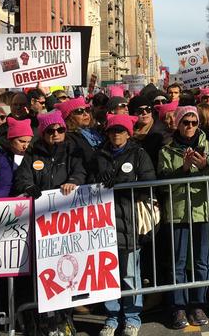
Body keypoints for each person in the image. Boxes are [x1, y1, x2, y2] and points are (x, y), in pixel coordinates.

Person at [13, 109, 85, 336]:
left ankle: (65, 318)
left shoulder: (73, 152)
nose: (56, 133)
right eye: (50, 130)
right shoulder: (33, 155)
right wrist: (28, 186)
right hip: (41, 226)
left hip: (66, 224)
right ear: (42, 133)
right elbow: (22, 178)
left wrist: (73, 180)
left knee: (66, 271)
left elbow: (82, 172)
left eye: (60, 129)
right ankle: (44, 321)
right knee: (44, 274)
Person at [91, 114, 157, 336]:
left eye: (121, 130)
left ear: (129, 133)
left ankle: (131, 318)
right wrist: (98, 180)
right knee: (107, 274)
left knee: (130, 273)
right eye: (112, 130)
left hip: (129, 221)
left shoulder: (139, 154)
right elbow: (87, 181)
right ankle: (111, 317)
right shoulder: (98, 155)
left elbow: (149, 182)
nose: (116, 134)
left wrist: (121, 183)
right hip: (103, 222)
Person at [157, 106, 209, 329]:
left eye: (194, 123)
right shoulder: (166, 151)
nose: (190, 127)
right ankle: (178, 307)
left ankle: (198, 303)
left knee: (202, 262)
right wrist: (183, 169)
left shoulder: (208, 147)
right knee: (178, 263)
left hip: (204, 211)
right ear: (178, 123)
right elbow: (162, 184)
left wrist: (204, 167)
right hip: (178, 212)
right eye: (186, 122)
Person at [58, 97, 103, 168]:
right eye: (79, 111)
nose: (86, 114)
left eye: (87, 110)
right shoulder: (69, 138)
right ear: (69, 117)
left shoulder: (94, 131)